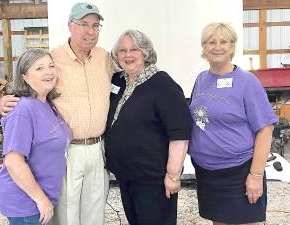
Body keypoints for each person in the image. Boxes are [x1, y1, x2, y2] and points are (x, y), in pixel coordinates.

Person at [0, 2, 114, 225]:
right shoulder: (52, 59)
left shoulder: (106, 59)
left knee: (95, 211)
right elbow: (28, 82)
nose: (91, 31)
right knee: (67, 213)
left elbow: (133, 69)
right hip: (66, 149)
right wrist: (2, 101)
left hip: (98, 147)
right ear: (70, 26)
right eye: (84, 24)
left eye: (95, 26)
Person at [188, 22, 277, 225]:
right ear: (204, 47)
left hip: (239, 172)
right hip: (207, 172)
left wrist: (255, 175)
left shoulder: (247, 82)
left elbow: (265, 130)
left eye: (223, 42)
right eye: (211, 42)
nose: (217, 47)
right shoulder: (201, 79)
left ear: (232, 46)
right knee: (218, 222)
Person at [104, 29, 191, 225]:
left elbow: (180, 135)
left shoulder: (164, 85)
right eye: (122, 50)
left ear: (145, 53)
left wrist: (173, 175)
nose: (128, 55)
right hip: (126, 176)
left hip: (154, 180)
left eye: (134, 49)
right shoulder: (119, 80)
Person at [0, 49, 71, 225]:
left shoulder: (46, 103)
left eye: (51, 66)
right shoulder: (22, 110)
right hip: (26, 202)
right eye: (39, 68)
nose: (49, 72)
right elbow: (14, 162)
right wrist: (41, 200)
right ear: (25, 77)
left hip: (41, 198)